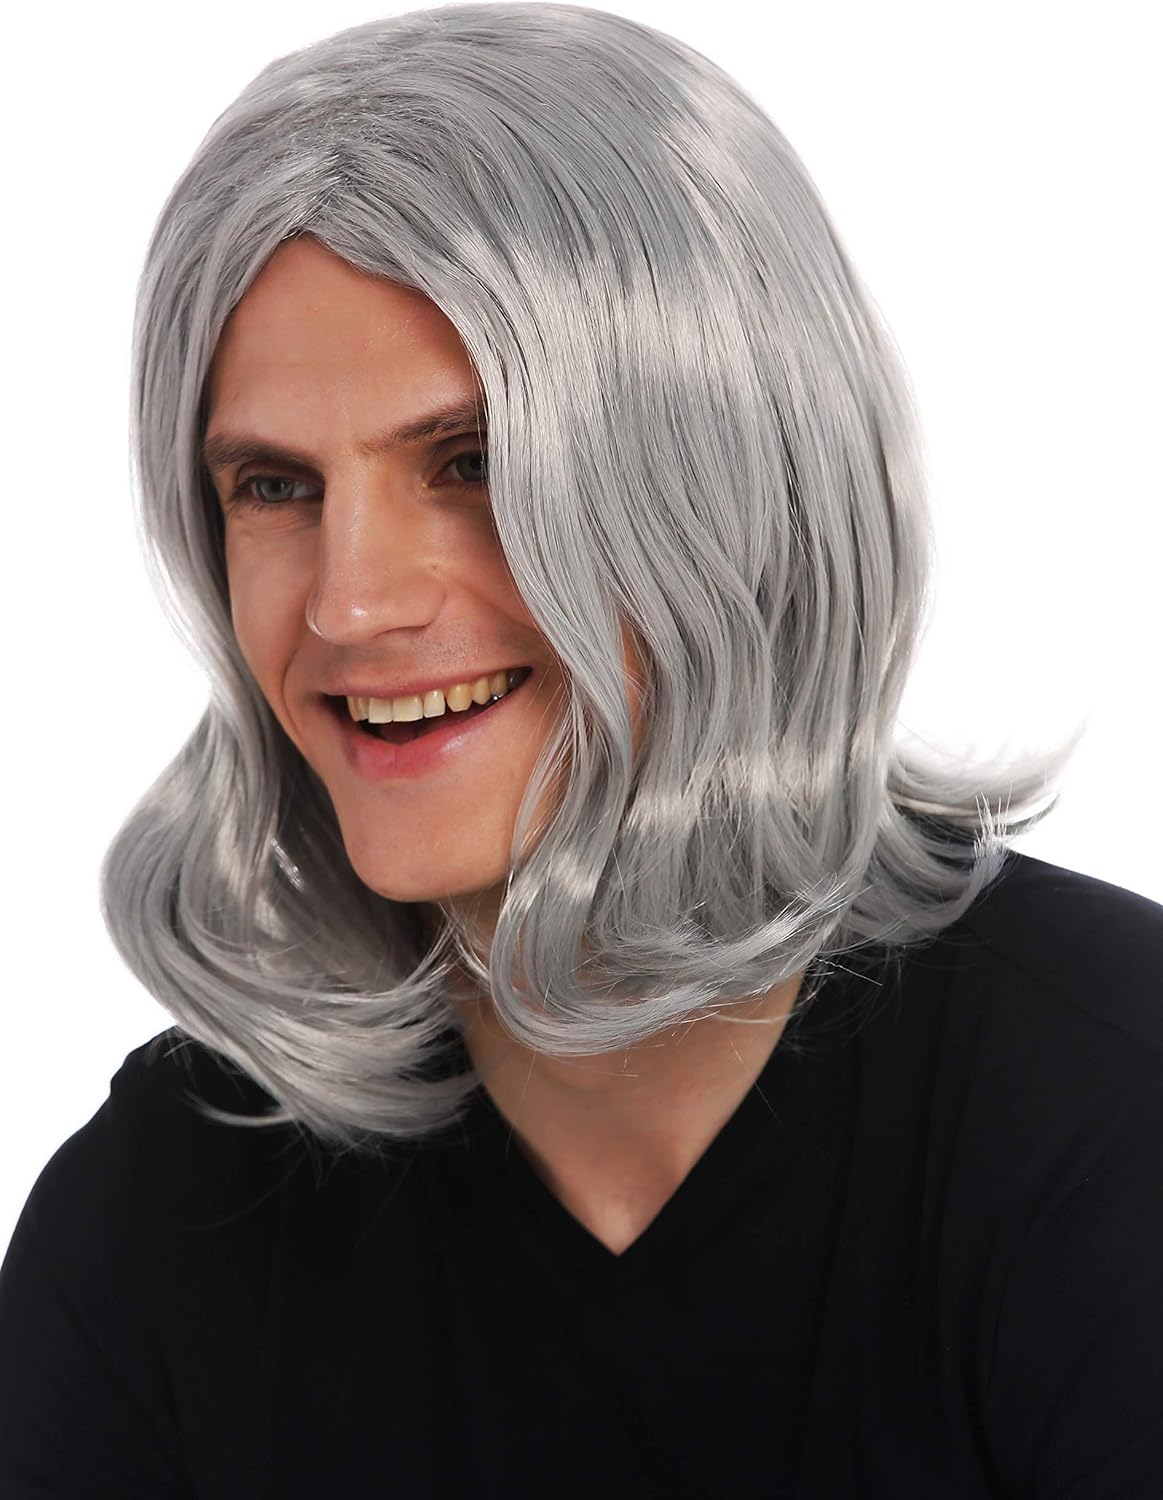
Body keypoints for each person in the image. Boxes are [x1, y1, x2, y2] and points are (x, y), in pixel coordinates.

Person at [1, 4, 1160, 1496]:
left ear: (735, 487)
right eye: (276, 486)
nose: (349, 604)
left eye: (475, 464)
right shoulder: (171, 1203)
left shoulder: (1108, 1118)